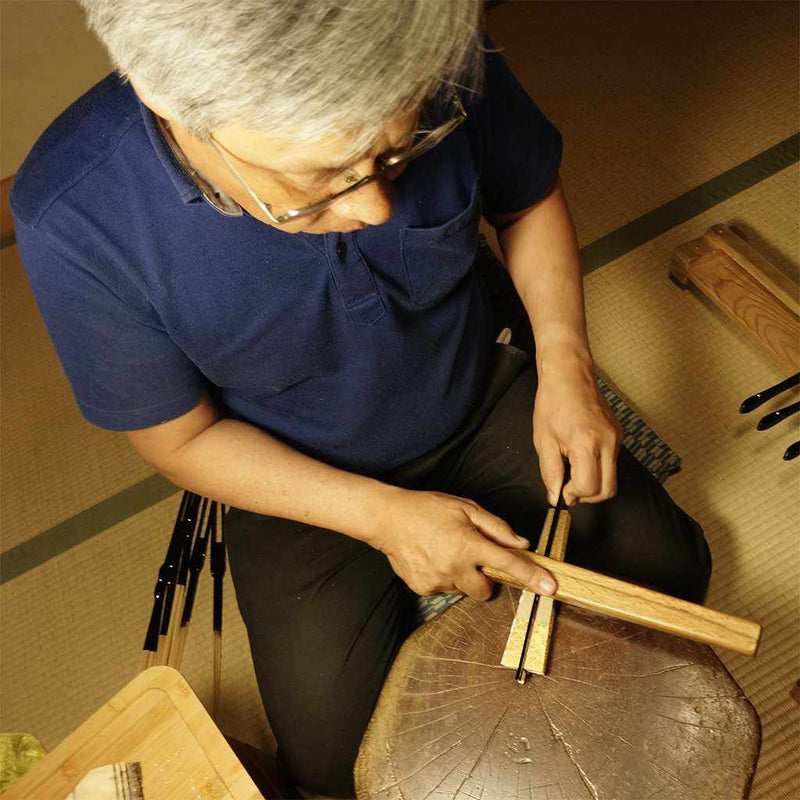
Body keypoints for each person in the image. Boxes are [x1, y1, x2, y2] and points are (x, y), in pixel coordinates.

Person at [11, 1, 711, 796]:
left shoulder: (428, 48)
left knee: (671, 571)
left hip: (471, 391)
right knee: (333, 759)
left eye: (396, 155)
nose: (376, 208)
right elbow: (181, 440)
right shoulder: (74, 214)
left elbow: (525, 202)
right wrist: (381, 516)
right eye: (314, 188)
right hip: (296, 474)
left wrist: (566, 363)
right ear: (178, 112)